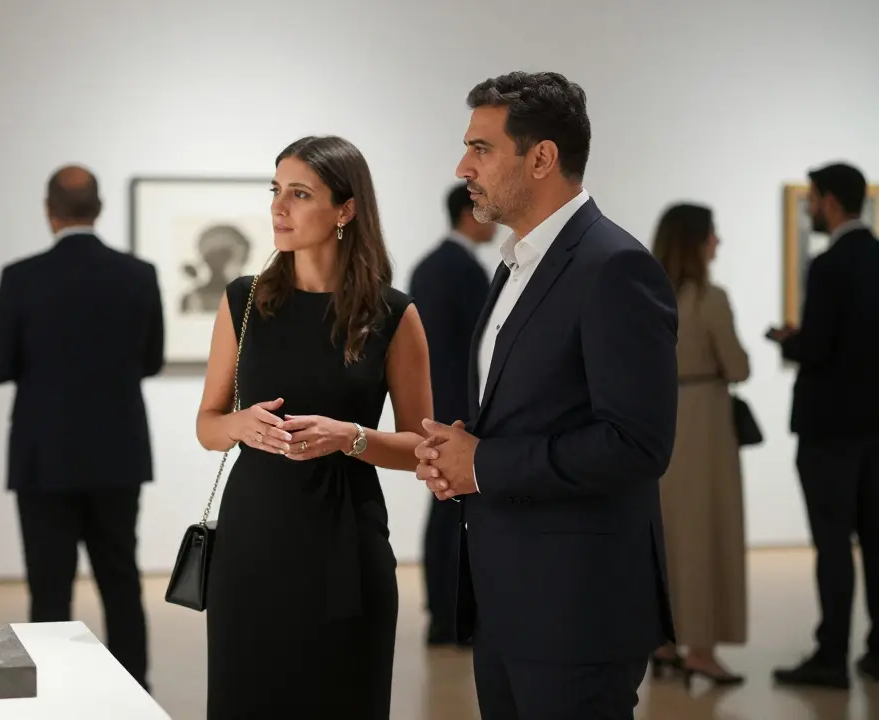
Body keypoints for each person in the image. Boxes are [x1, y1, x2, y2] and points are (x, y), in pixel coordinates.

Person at [416, 71, 679, 719]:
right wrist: (456, 456)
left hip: (577, 611)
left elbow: (636, 444)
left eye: (481, 148)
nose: (462, 166)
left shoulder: (614, 267)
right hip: (507, 603)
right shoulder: (514, 266)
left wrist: (481, 464)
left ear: (541, 158)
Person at [195, 135, 433, 719]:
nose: (279, 207)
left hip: (345, 548)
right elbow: (207, 425)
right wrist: (241, 426)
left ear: (345, 209)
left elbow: (424, 448)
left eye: (299, 194)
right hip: (252, 546)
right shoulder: (243, 301)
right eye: (276, 191)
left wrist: (348, 436)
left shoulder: (393, 315)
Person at [0, 164, 163, 689]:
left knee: (49, 587)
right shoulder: (139, 274)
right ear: (99, 209)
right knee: (121, 580)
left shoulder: (21, 277)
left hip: (45, 456)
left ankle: (54, 689)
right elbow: (150, 361)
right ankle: (134, 686)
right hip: (118, 453)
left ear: (48, 210)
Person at [768, 162, 879, 690]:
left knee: (833, 545)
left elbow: (819, 347)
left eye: (813, 199)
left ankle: (831, 655)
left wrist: (786, 339)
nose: (811, 207)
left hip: (830, 429)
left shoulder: (831, 264)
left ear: (831, 201)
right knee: (876, 542)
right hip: (876, 427)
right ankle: (878, 652)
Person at [649, 203, 750, 687]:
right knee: (707, 534)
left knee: (666, 536)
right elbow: (739, 366)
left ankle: (664, 643)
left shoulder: (645, 297)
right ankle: (702, 651)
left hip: (658, 421)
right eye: (713, 234)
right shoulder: (710, 299)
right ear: (697, 241)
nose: (718, 243)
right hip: (705, 422)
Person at [409, 182, 495, 647]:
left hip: (437, 405)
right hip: (462, 409)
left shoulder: (428, 267)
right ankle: (454, 617)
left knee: (443, 509)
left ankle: (444, 614)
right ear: (469, 212)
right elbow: (482, 351)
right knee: (454, 512)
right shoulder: (464, 271)